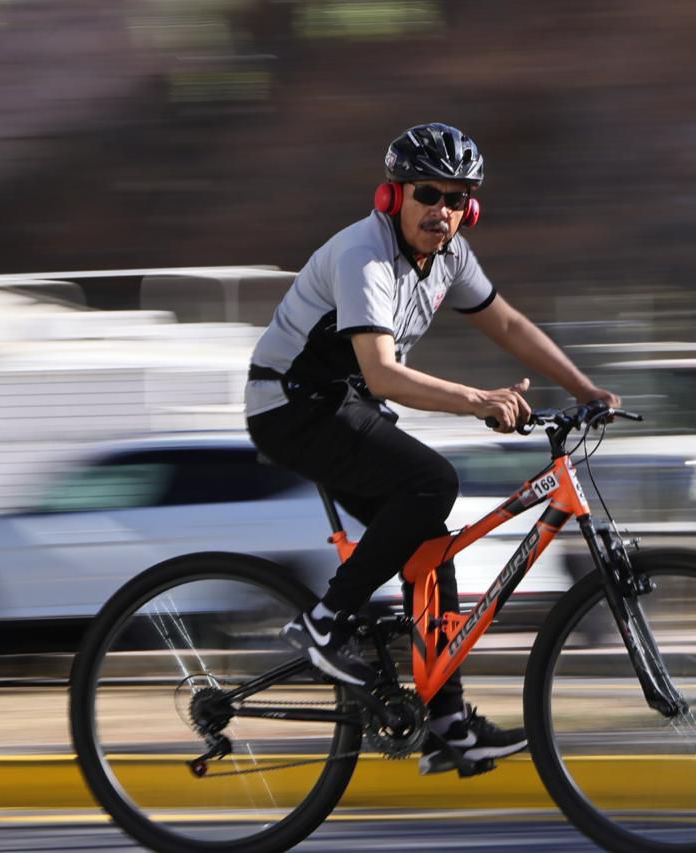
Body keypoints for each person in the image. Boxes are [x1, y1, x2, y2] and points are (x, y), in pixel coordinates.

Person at [245, 122, 619, 776]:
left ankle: (446, 725)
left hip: (345, 404)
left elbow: (506, 322)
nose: (441, 210)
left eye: (457, 198)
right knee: (432, 481)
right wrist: (479, 400)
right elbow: (385, 373)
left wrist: (585, 387)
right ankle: (326, 622)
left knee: (430, 547)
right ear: (393, 195)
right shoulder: (364, 254)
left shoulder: (451, 256)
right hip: (292, 403)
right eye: (427, 193)